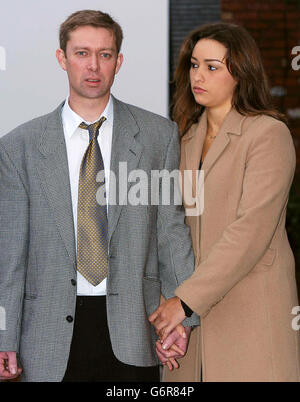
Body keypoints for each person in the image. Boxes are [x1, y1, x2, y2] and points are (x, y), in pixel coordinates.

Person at [0, 10, 199, 382]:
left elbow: (171, 234)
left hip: (134, 331)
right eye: (81, 53)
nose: (93, 66)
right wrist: (3, 336)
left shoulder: (159, 137)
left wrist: (182, 316)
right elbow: (10, 255)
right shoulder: (18, 147)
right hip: (44, 340)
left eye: (105, 54)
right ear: (62, 58)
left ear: (118, 61)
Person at [149, 22, 300, 382]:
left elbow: (250, 231)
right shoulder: (183, 140)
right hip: (189, 327)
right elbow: (169, 232)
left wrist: (183, 302)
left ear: (241, 73)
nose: (198, 75)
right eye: (194, 64)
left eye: (212, 67)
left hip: (250, 317)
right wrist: (171, 316)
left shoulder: (268, 135)